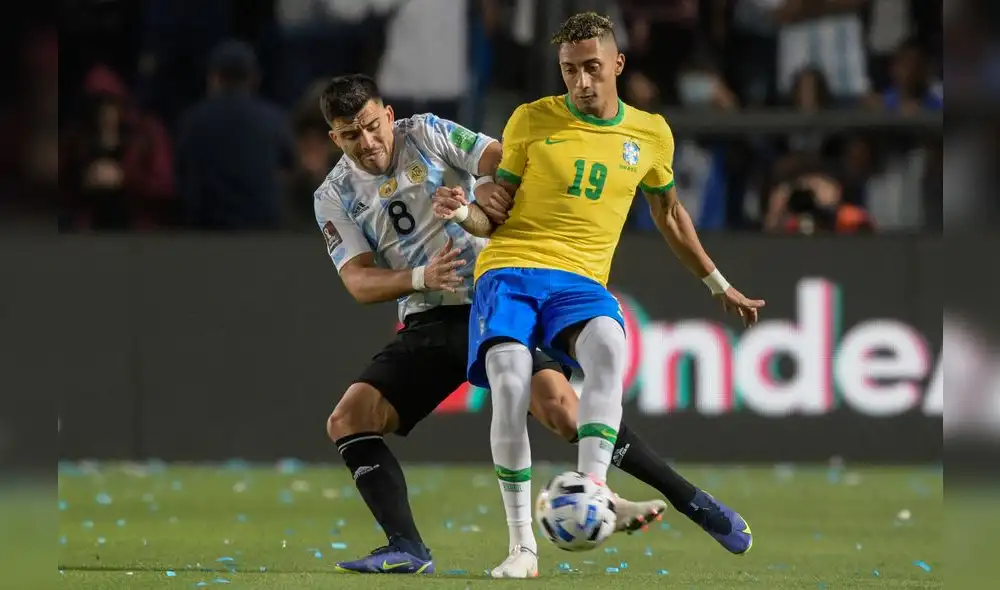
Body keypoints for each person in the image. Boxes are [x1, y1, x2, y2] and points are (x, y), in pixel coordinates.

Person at [313, 74, 725, 576]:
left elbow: (503, 160)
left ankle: (683, 498)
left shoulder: (429, 133)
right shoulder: (332, 194)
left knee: (562, 411)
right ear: (334, 137)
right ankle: (406, 547)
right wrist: (422, 275)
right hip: (430, 314)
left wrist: (482, 192)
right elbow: (358, 282)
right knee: (349, 420)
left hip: (495, 294)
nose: (368, 142)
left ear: (388, 113)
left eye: (373, 126)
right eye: (351, 135)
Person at [446, 13, 764, 577]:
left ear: (618, 63)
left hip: (580, 282)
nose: (582, 82)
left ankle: (593, 488)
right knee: (513, 382)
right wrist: (467, 214)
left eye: (593, 67)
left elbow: (669, 213)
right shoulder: (530, 120)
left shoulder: (650, 133)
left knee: (610, 348)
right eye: (570, 70)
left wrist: (718, 283)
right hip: (511, 271)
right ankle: (523, 548)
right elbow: (495, 212)